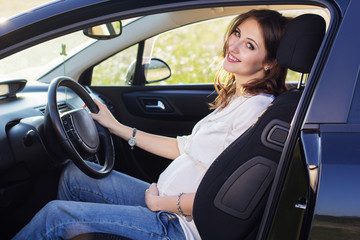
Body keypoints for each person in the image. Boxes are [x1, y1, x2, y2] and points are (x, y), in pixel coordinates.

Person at [12, 9, 291, 240]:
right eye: (237, 33)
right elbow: (186, 148)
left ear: (269, 63)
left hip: (177, 225)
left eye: (250, 45)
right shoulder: (241, 97)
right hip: (164, 203)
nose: (234, 45)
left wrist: (160, 204)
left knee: (56, 217)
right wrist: (117, 127)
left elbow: (225, 193)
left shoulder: (256, 110)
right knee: (75, 176)